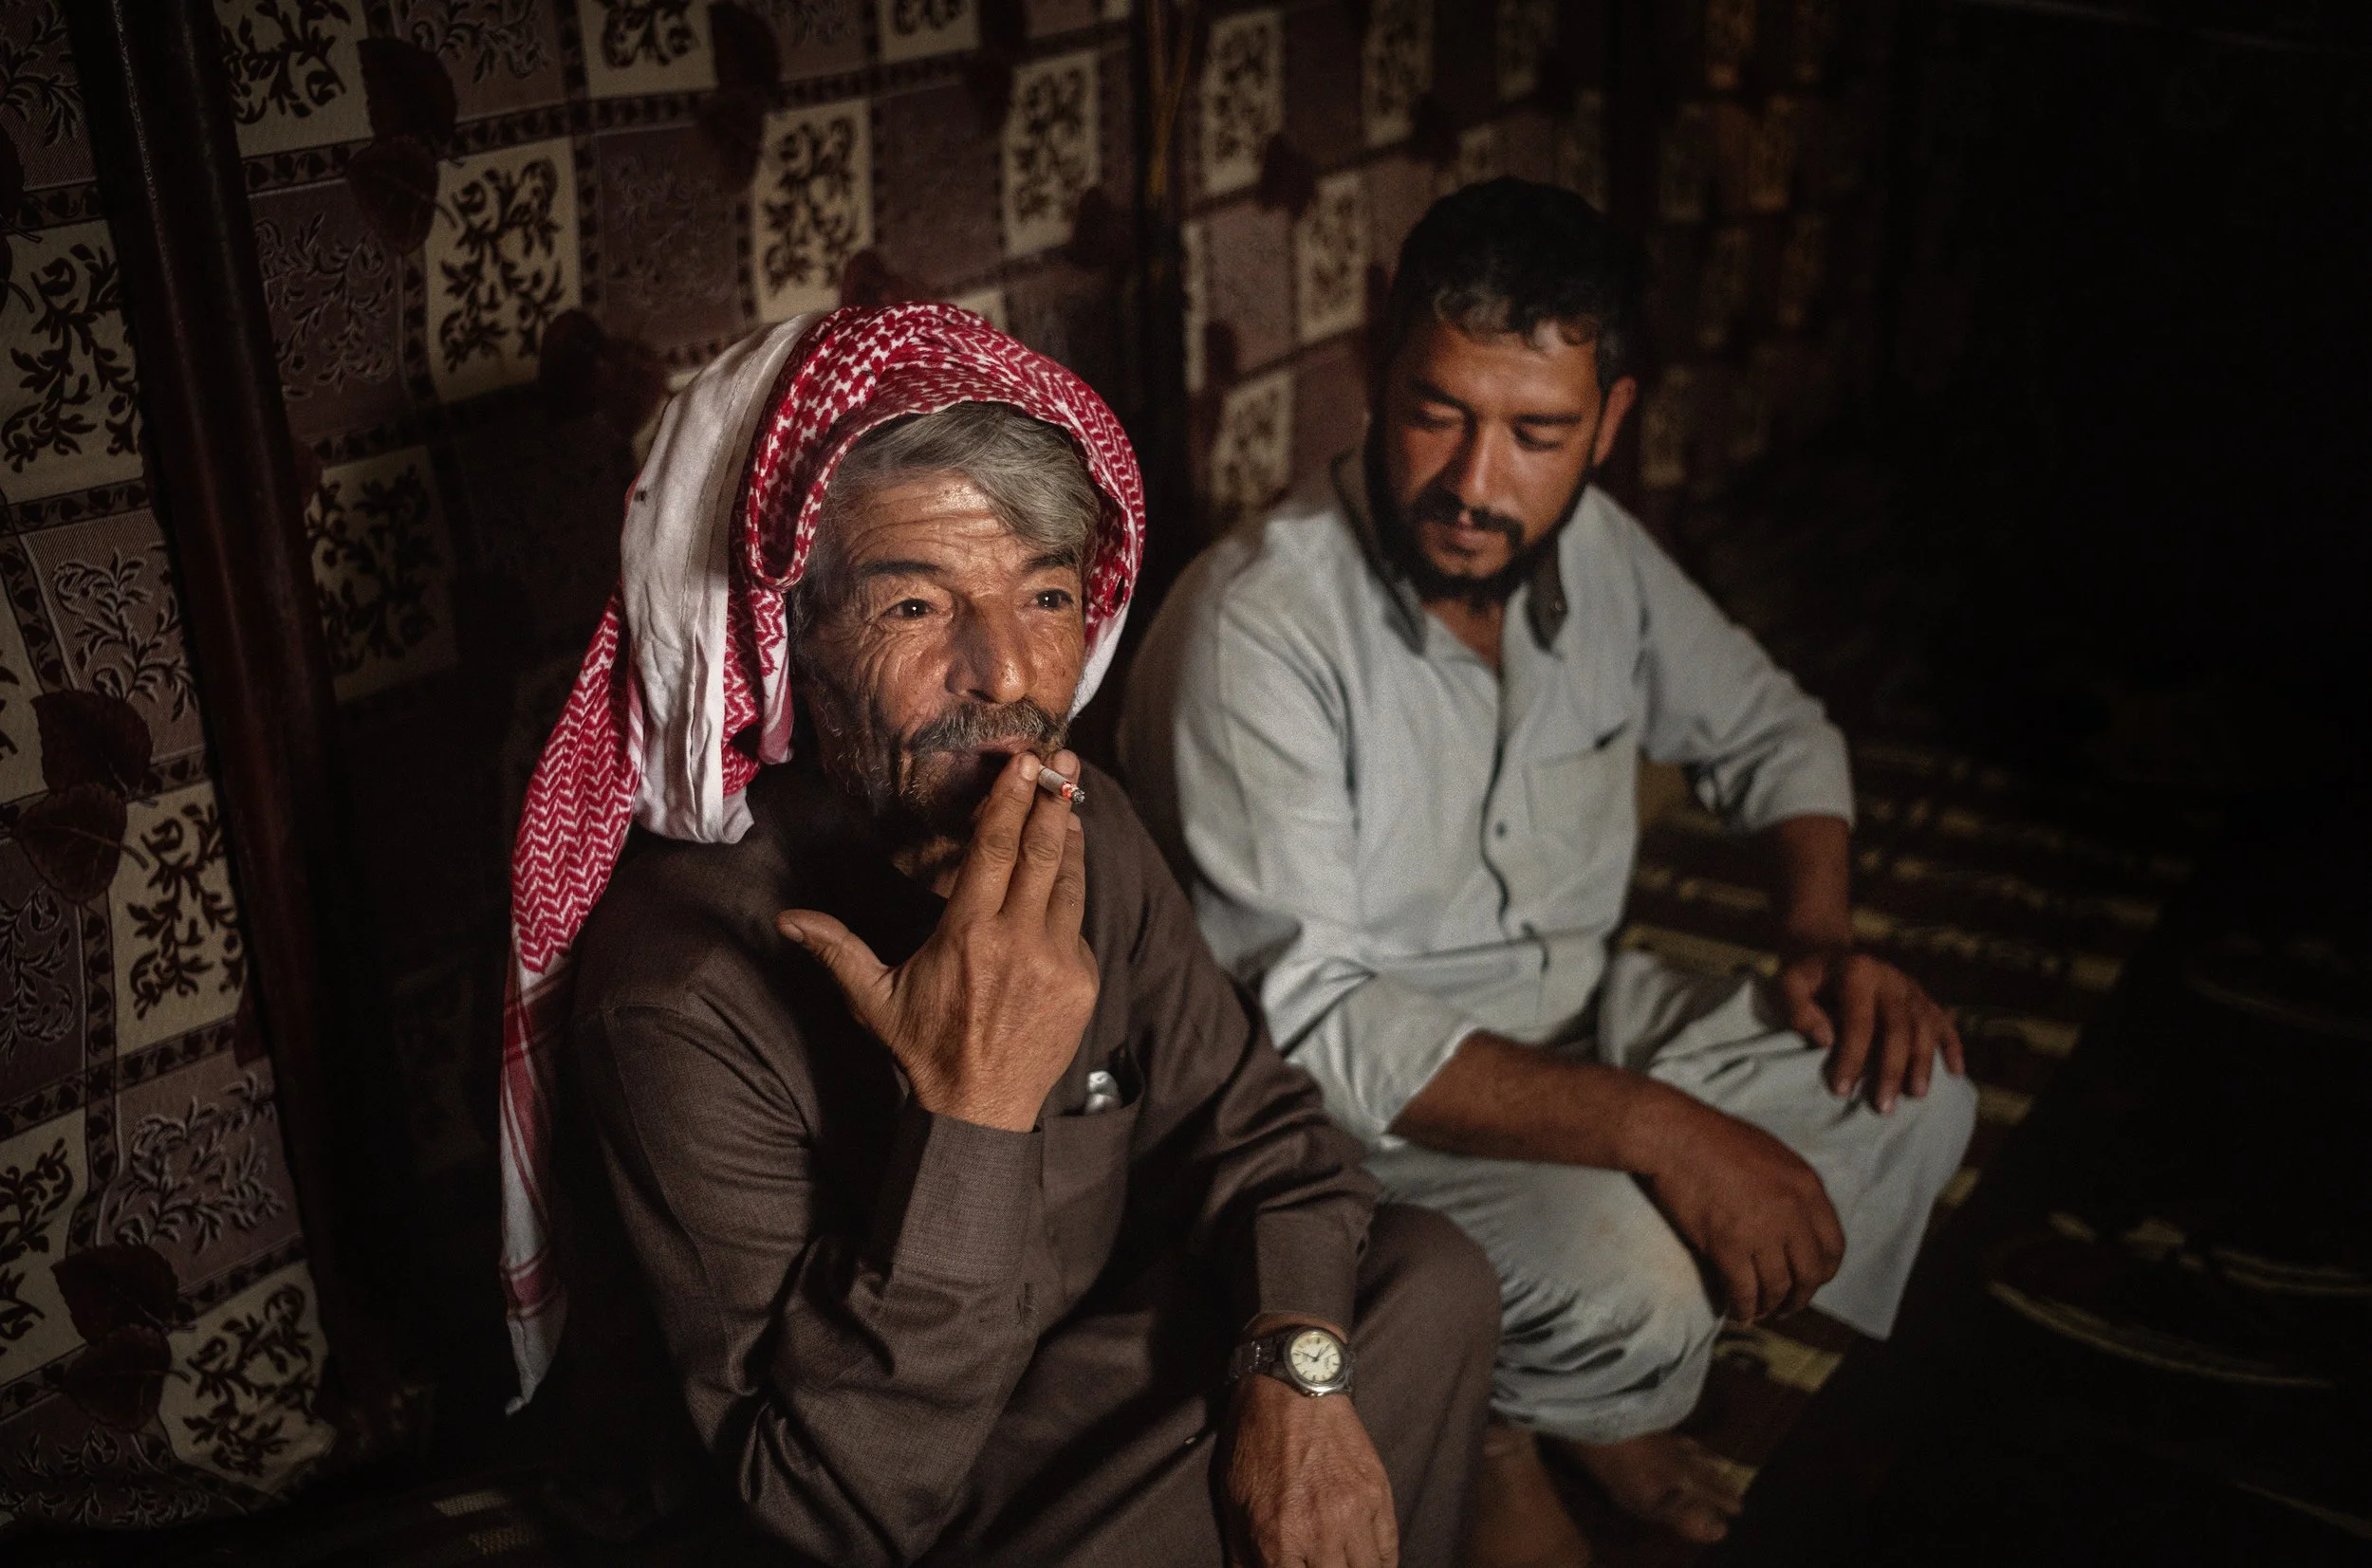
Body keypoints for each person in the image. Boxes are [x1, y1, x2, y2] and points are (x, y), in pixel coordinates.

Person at [499, 304, 1498, 1568]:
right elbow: (830, 1509)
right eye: (916, 607)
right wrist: (971, 1114)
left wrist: (1291, 1378)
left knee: (1422, 1280)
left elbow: (1268, 1144)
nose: (1008, 676)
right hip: (883, 1509)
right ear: (787, 636)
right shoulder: (683, 989)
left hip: (1071, 1400)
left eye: (1046, 595)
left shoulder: (1082, 828)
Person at [1121, 181, 1977, 1563]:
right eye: (1436, 411)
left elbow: (1773, 732)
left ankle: (1585, 1393)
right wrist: (1657, 1131)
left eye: (1538, 433)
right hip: (1346, 1131)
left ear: (1611, 423)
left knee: (1910, 1088)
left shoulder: (1601, 553)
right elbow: (1313, 1029)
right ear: (1371, 372)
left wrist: (1820, 936)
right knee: (1638, 1290)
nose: (1475, 481)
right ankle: (1503, 1430)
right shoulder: (1258, 627)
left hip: (1580, 1027)